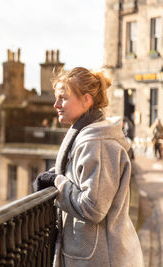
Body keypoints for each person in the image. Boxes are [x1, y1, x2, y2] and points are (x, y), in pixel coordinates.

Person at [33, 67, 144, 267]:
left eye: (63, 98)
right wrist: (60, 174)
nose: (56, 104)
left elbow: (93, 207)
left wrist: (57, 183)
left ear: (86, 100)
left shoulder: (96, 143)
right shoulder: (90, 137)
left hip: (100, 258)